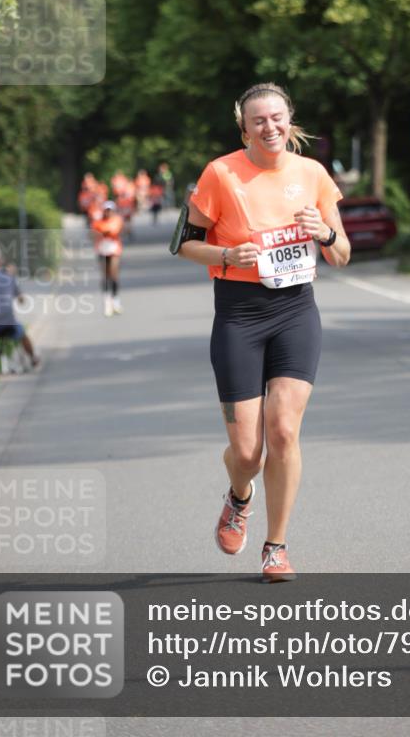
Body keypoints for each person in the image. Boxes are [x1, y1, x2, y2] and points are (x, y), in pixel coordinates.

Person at [178, 82, 350, 581]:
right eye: (258, 121)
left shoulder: (313, 174)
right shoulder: (220, 173)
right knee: (248, 452)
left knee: (283, 430)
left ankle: (276, 545)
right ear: (244, 128)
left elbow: (341, 256)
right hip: (239, 315)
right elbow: (187, 244)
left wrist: (327, 233)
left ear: (290, 120)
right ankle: (239, 496)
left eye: (277, 118)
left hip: (296, 311)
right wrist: (226, 255)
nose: (269, 127)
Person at [91, 200, 124, 316]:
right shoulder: (97, 222)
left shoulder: (117, 220)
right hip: (102, 250)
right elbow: (94, 234)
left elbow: (115, 231)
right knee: (105, 276)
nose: (108, 212)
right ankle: (107, 300)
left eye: (110, 210)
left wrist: (104, 232)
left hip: (114, 249)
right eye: (106, 210)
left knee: (114, 275)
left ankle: (115, 299)